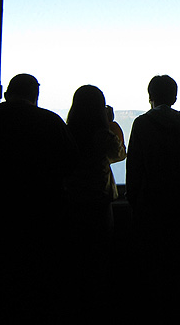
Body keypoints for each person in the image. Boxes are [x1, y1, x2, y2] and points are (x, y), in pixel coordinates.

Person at [0, 73, 78, 324]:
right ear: (35, 96)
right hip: (47, 215)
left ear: (7, 95)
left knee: (9, 280)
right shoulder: (50, 121)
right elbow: (71, 163)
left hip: (6, 213)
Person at [126, 75, 180, 324]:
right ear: (174, 97)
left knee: (151, 265)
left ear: (150, 96)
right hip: (179, 204)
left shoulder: (142, 124)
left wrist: (134, 200)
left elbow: (135, 165)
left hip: (150, 204)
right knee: (176, 263)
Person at [64, 85, 126, 318]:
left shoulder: (67, 132)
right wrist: (111, 124)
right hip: (99, 203)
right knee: (98, 261)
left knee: (75, 261)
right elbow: (119, 154)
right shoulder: (103, 135)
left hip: (71, 202)